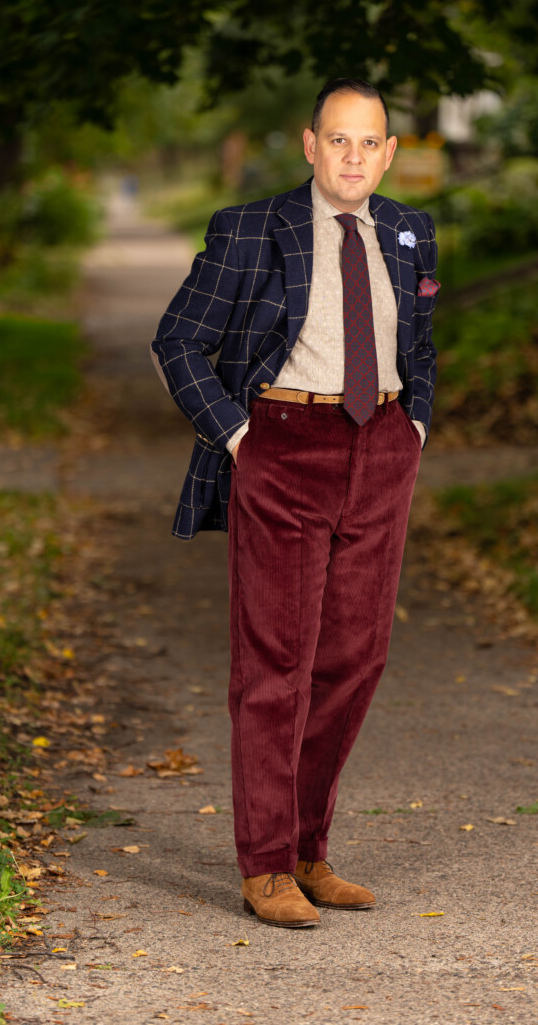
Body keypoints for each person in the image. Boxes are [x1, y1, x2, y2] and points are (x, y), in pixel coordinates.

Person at [151, 77, 440, 928]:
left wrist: (414, 423)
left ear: (389, 153)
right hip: (282, 446)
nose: (354, 156)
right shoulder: (248, 229)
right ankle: (266, 864)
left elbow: (417, 342)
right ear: (309, 145)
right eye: (337, 140)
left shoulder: (409, 230)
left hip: (379, 451)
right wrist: (241, 439)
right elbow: (179, 340)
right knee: (277, 664)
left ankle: (310, 851)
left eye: (370, 142)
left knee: (354, 660)